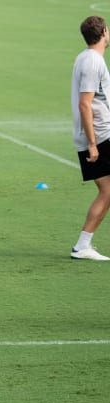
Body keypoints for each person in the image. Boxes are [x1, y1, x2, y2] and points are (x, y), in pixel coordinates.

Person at [69, 15, 110, 261]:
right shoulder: (93, 62)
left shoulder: (88, 58)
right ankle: (82, 245)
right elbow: (85, 104)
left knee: (108, 190)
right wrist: (92, 144)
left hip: (101, 134)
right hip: (100, 136)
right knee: (107, 191)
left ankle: (83, 244)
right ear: (104, 32)